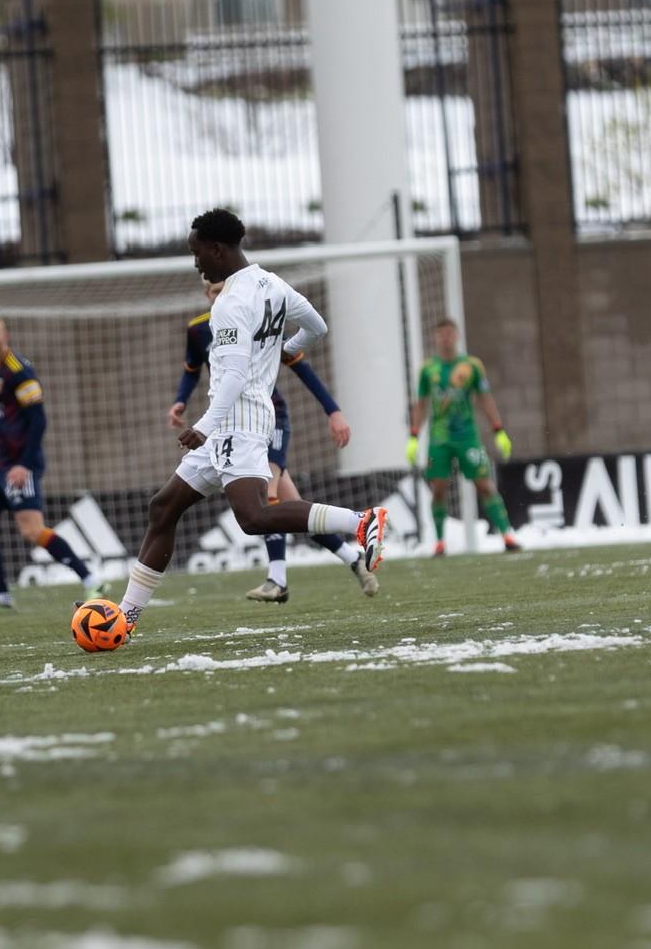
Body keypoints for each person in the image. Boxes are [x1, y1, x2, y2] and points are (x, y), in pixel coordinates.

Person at [117, 209, 388, 634]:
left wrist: (204, 425)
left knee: (254, 516)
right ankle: (125, 619)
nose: (196, 263)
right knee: (163, 508)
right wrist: (285, 350)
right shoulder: (272, 283)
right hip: (241, 418)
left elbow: (236, 376)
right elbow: (317, 327)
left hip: (235, 421)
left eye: (197, 252)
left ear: (217, 249)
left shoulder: (228, 304)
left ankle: (360, 521)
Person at [174, 280, 378, 602]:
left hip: (269, 419)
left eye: (222, 288)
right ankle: (353, 559)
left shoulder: (255, 322)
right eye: (212, 291)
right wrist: (180, 402)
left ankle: (277, 579)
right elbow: (191, 370)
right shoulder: (199, 330)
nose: (218, 295)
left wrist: (333, 411)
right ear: (206, 295)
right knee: (292, 509)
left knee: (264, 498)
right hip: (235, 425)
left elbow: (301, 366)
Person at [0, 315, 101, 615]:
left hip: (21, 465)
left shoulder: (18, 371)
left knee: (32, 531)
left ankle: (91, 580)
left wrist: (24, 465)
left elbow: (38, 420)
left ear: (5, 336)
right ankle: (1, 598)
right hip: (0, 464)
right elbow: (4, 419)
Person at [407, 317, 520, 555]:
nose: (445, 337)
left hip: (468, 437)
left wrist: (499, 430)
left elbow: (485, 398)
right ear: (436, 338)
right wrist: (414, 436)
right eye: (441, 333)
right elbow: (422, 404)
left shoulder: (471, 366)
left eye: (449, 332)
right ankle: (439, 542)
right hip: (439, 439)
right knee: (438, 488)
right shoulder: (429, 369)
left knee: (485, 485)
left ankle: (508, 535)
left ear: (457, 335)